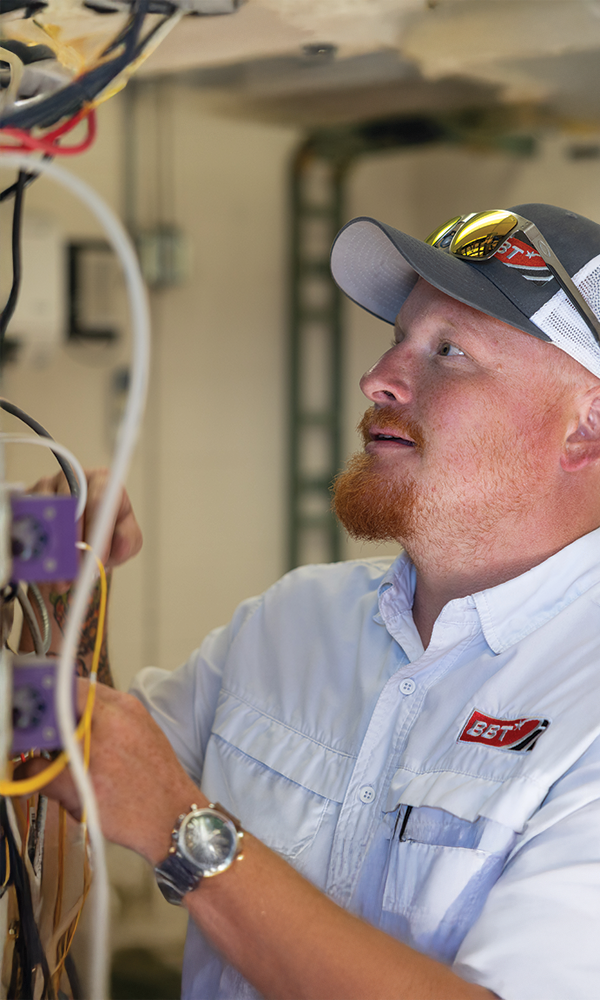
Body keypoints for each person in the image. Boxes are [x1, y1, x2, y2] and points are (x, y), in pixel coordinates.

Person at [27, 203, 600, 1000]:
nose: (380, 379)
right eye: (398, 339)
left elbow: (155, 804)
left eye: (448, 352)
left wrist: (183, 833)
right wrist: (63, 606)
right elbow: (94, 778)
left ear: (587, 428)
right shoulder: (293, 621)